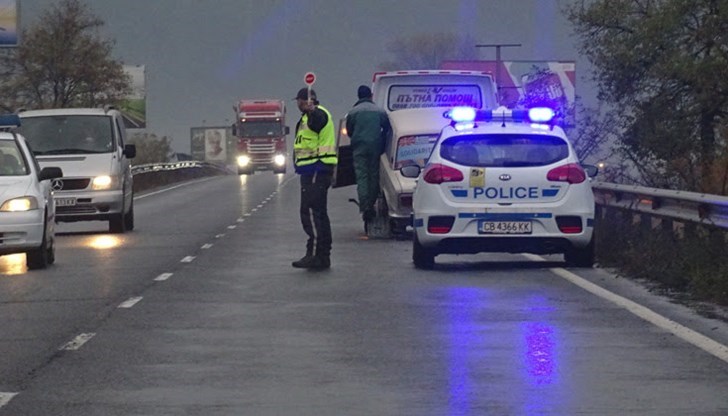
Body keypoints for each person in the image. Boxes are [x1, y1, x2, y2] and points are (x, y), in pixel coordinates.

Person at [291, 87, 338, 270]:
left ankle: (318, 256)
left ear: (306, 101)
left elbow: (317, 121)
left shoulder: (318, 114)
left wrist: (312, 110)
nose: (298, 104)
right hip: (310, 170)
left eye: (299, 101)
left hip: (316, 168)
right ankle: (318, 254)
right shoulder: (305, 118)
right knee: (316, 212)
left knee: (312, 212)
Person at [345, 85, 391, 224]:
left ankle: (365, 206)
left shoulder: (353, 112)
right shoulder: (379, 111)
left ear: (358, 96)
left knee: (362, 176)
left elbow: (349, 130)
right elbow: (387, 127)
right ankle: (372, 202)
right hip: (375, 146)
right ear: (371, 95)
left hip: (359, 147)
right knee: (374, 174)